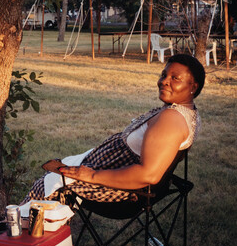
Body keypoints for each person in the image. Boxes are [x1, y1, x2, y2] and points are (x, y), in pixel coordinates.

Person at [27, 53, 204, 205]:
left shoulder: (172, 119)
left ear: (193, 87)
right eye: (164, 75)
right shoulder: (184, 111)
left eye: (175, 78)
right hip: (105, 170)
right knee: (55, 173)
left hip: (120, 189)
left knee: (47, 187)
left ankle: (25, 238)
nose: (164, 81)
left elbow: (149, 175)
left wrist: (92, 175)